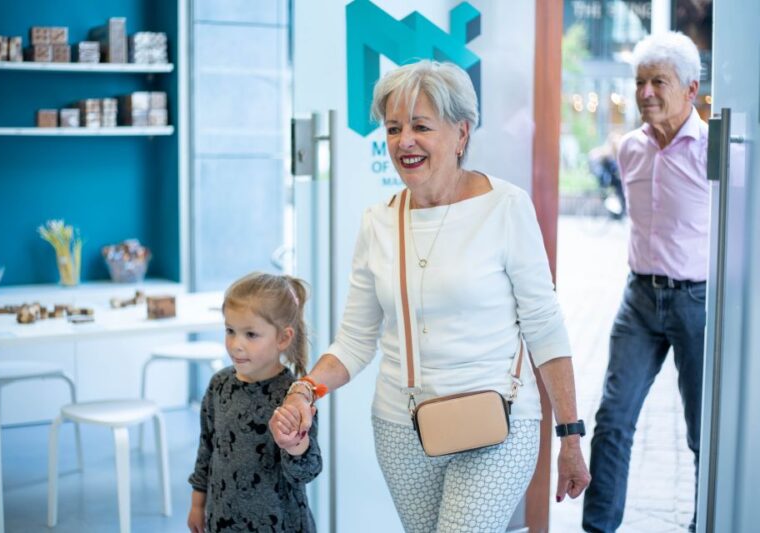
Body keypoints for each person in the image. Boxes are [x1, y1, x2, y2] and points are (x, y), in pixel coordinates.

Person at [270, 60, 590, 532]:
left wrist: (570, 436)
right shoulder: (377, 222)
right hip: (402, 429)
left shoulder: (506, 208)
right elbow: (355, 341)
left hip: (498, 423)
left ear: (461, 134)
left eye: (421, 126)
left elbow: (544, 326)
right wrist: (304, 390)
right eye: (394, 128)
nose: (404, 141)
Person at [582, 32, 708, 533]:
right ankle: (598, 528)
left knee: (703, 432)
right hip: (638, 299)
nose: (646, 92)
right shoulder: (631, 149)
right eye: (640, 81)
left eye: (659, 81)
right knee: (612, 421)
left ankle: (707, 523)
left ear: (690, 89)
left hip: (697, 301)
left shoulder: (711, 151)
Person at [187, 272, 322, 533]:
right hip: (223, 520)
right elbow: (206, 448)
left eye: (250, 334)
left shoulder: (295, 396)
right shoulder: (219, 385)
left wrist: (296, 444)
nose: (236, 345)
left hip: (282, 524)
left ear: (283, 338)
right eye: (230, 331)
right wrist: (197, 504)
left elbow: (306, 472)